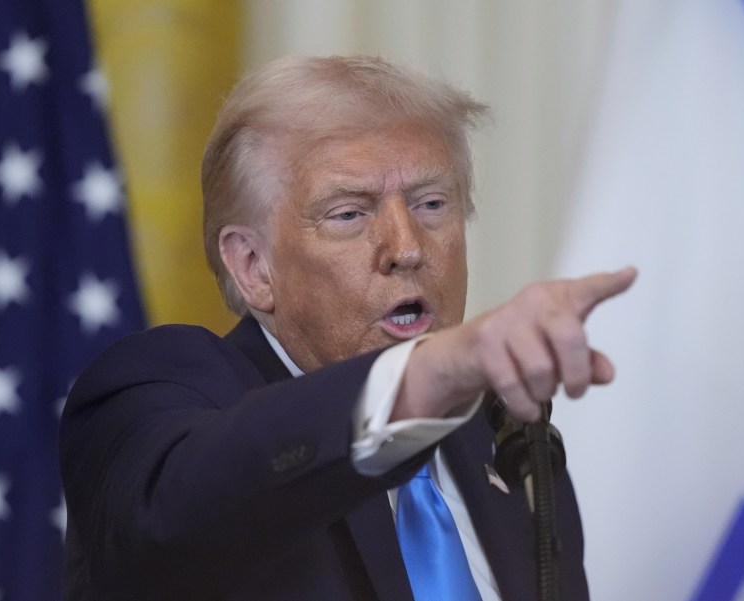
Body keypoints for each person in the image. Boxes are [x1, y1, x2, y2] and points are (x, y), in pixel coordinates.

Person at [59, 55, 636, 601]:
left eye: (431, 204)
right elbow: (169, 521)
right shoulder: (169, 387)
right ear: (254, 266)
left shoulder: (507, 445)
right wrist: (425, 377)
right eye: (349, 214)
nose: (407, 248)